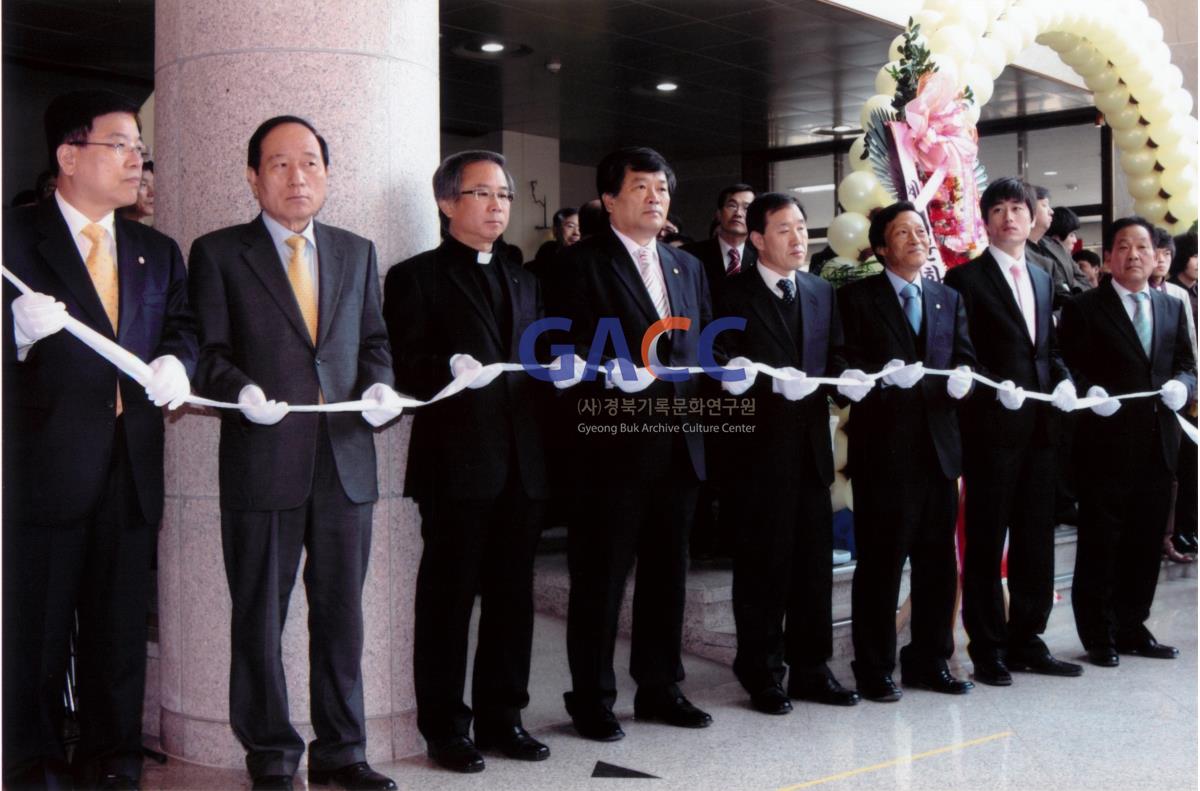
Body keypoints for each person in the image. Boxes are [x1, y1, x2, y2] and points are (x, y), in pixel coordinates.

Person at [188, 115, 401, 791]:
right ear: (253, 176)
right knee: (260, 613)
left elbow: (373, 343)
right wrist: (240, 388)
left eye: (309, 161)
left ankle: (344, 749)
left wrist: (380, 387)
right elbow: (207, 353)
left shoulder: (357, 250)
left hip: (345, 462)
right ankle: (273, 754)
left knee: (342, 611)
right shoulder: (219, 252)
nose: (296, 176)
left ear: (328, 174)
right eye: (278, 164)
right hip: (262, 458)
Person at [2, 89, 197, 790]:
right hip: (43, 469)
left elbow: (180, 326)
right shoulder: (13, 240)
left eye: (138, 146)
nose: (136, 158)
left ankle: (112, 759)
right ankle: (33, 760)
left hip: (130, 464)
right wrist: (15, 333)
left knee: (118, 629)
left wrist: (180, 360)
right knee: (38, 631)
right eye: (119, 144)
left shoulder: (156, 250)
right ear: (67, 155)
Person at [383, 151, 551, 774]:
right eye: (483, 194)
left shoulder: (526, 279)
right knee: (448, 601)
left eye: (505, 195)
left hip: (523, 465)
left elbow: (540, 360)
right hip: (456, 465)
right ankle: (446, 728)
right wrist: (445, 368)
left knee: (513, 599)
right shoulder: (414, 276)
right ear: (448, 203)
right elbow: (404, 364)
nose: (497, 206)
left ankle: (504, 717)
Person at [545, 146, 713, 742]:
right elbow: (553, 355)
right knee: (601, 579)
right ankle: (591, 698)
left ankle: (660, 689)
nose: (655, 197)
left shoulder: (686, 267)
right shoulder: (577, 265)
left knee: (669, 577)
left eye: (662, 188)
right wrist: (603, 368)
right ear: (609, 200)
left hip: (679, 447)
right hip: (610, 452)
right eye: (641, 187)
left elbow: (697, 352)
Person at [714, 193, 861, 715]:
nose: (799, 238)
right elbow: (718, 363)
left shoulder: (821, 292)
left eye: (802, 227)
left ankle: (812, 668)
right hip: (756, 454)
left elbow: (836, 353)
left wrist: (848, 379)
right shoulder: (728, 295)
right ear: (756, 239)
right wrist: (758, 388)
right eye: (784, 229)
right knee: (763, 570)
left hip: (811, 453)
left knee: (811, 570)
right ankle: (761, 671)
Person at [944, 177, 1083, 687]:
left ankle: (1028, 638)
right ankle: (988, 647)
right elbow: (960, 358)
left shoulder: (1045, 276)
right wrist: (990, 390)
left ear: (1031, 218)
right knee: (985, 541)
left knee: (1034, 540)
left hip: (1041, 430)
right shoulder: (965, 280)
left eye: (1017, 209)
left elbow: (1047, 350)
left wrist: (1064, 380)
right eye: (998, 209)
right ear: (986, 220)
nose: (1009, 218)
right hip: (990, 432)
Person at [836, 202, 978, 702]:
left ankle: (929, 661)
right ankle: (873, 667)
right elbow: (843, 366)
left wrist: (963, 378)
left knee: (938, 565)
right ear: (880, 248)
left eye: (920, 229)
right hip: (884, 453)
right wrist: (875, 384)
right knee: (881, 565)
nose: (917, 237)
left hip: (939, 453)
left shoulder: (946, 298)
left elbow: (964, 356)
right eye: (902, 232)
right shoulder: (856, 299)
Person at [1058, 216, 1196, 666]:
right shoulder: (1085, 307)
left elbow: (1187, 366)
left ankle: (1133, 625)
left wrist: (1184, 385)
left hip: (1158, 442)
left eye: (1142, 247)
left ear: (1157, 255)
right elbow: (1066, 366)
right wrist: (1087, 391)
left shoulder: (1172, 306)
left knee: (1143, 541)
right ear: (1110, 256)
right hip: (1104, 444)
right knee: (1102, 542)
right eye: (1122, 247)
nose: (1133, 255)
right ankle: (1098, 633)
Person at [683, 183, 758, 293]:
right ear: (719, 213)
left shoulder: (760, 260)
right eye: (732, 206)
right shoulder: (690, 255)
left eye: (746, 208)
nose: (738, 213)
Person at [529, 206, 579, 276]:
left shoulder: (589, 259)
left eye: (581, 227)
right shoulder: (546, 253)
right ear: (555, 230)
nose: (577, 233)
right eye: (570, 226)